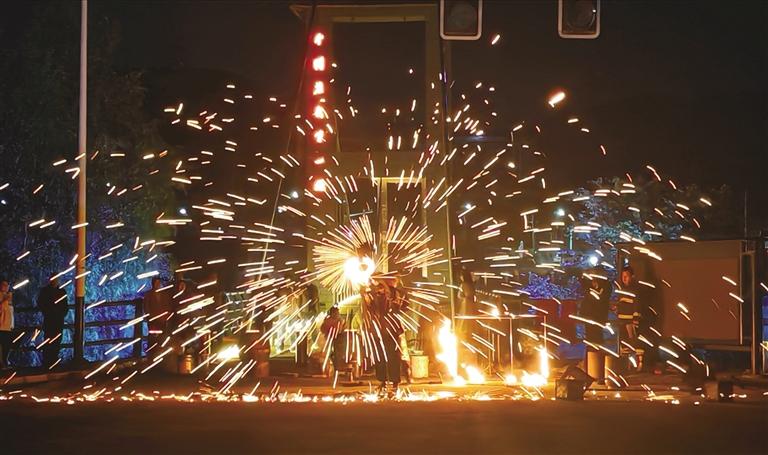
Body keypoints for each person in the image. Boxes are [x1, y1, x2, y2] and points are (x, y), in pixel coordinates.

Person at [362, 280, 406, 397]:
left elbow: (394, 302)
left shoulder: (393, 294)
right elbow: (370, 305)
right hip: (379, 332)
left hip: (391, 331)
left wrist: (381, 281)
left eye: (380, 288)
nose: (378, 290)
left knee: (393, 357)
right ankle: (383, 381)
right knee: (380, 357)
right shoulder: (376, 298)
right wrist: (364, 293)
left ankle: (394, 383)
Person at [38, 277, 68, 368]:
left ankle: (53, 360)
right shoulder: (49, 291)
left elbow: (65, 306)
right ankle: (48, 360)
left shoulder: (60, 291)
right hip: (51, 319)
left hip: (56, 320)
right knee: (50, 339)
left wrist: (61, 314)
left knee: (55, 340)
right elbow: (40, 303)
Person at [142, 277, 172, 350]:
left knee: (162, 337)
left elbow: (167, 305)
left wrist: (166, 316)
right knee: (153, 337)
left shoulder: (164, 294)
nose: (158, 284)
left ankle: (161, 350)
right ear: (153, 284)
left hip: (162, 320)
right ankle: (152, 350)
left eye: (159, 283)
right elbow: (146, 307)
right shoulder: (148, 294)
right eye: (156, 283)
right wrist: (150, 317)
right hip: (153, 320)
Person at [320, 306, 345, 374]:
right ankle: (331, 367)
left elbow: (342, 330)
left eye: (337, 313)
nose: (336, 314)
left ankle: (336, 367)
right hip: (330, 339)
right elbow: (322, 329)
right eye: (335, 313)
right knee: (329, 353)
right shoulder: (328, 321)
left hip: (338, 340)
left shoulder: (340, 320)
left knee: (337, 354)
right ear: (331, 313)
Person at [0, 280, 14, 369]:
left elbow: (10, 311)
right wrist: (4, 300)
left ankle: (5, 362)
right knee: (2, 346)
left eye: (7, 285)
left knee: (7, 346)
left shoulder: (9, 296)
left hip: (8, 326)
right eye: (3, 285)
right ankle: (2, 363)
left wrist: (12, 324)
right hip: (1, 325)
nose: (5, 287)